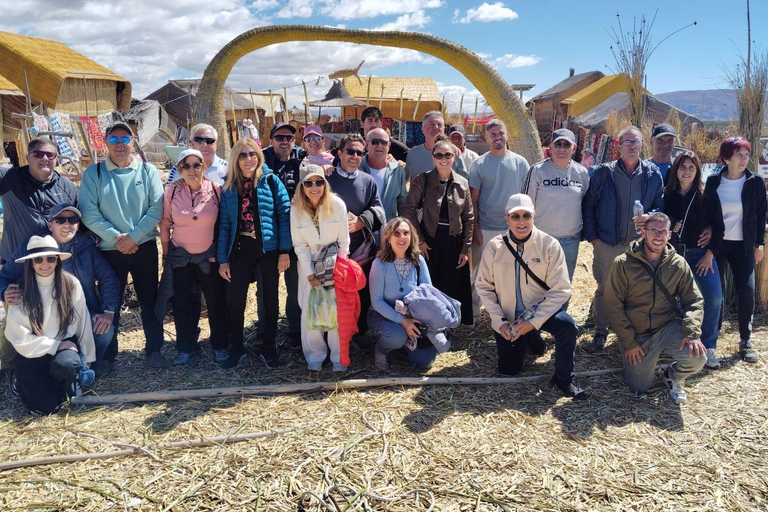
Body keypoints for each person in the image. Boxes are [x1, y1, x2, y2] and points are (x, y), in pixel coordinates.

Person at [475, 194, 586, 400]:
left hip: (539, 312)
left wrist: (531, 323)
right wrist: (499, 322)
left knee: (568, 326)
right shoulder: (494, 247)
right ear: (506, 218)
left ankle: (563, 377)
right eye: (515, 216)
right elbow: (484, 287)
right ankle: (531, 339)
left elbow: (561, 289)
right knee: (509, 369)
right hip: (508, 316)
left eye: (526, 215)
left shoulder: (549, 245)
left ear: (534, 216)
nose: (521, 221)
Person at [78, 122, 166, 368]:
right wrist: (117, 238)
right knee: (110, 302)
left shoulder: (147, 172)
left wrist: (133, 238)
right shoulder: (93, 174)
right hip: (109, 250)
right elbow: (88, 212)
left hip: (143, 247)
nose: (120, 145)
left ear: (133, 142)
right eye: (114, 139)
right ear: (105, 142)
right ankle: (107, 354)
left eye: (125, 139)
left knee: (149, 299)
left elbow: (156, 208)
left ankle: (154, 349)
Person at [0, 204, 119, 379]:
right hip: (41, 313)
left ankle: (82, 366)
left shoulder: (86, 247)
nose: (67, 225)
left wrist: (108, 311)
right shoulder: (33, 247)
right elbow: (4, 276)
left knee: (104, 331)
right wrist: (4, 291)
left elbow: (108, 278)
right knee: (18, 329)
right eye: (60, 220)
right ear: (50, 225)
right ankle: (14, 370)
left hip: (80, 311)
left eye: (73, 220)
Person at [604, 212, 706, 403]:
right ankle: (638, 360)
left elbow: (694, 300)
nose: (658, 236)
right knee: (639, 387)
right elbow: (613, 304)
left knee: (698, 358)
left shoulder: (678, 264)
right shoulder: (623, 263)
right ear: (643, 232)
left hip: (666, 327)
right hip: (638, 333)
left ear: (669, 235)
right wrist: (629, 342)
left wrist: (691, 332)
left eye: (663, 232)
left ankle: (672, 376)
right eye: (653, 231)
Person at [581, 125, 664, 352]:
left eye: (635, 142)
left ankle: (631, 332)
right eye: (626, 142)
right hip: (607, 242)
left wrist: (651, 216)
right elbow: (589, 205)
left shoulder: (651, 173)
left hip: (638, 244)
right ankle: (600, 330)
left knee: (637, 289)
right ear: (618, 146)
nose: (631, 146)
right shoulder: (603, 172)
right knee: (605, 288)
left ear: (642, 146)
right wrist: (594, 238)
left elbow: (660, 204)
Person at [218, 138, 292, 369]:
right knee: (237, 301)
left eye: (252, 154)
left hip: (268, 250)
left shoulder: (271, 181)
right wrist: (222, 259)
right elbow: (225, 225)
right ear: (235, 160)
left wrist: (284, 251)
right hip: (241, 250)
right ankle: (237, 348)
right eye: (242, 155)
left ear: (258, 156)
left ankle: (269, 348)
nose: (248, 159)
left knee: (270, 300)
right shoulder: (229, 187)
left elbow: (284, 215)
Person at [5, 236, 95, 415]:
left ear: (57, 261)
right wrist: (54, 345)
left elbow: (83, 321)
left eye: (50, 258)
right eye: (38, 259)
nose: (44, 264)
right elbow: (19, 335)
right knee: (46, 409)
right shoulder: (20, 290)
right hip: (34, 350)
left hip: (63, 346)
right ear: (31, 263)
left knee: (68, 364)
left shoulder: (71, 284)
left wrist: (88, 357)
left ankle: (66, 383)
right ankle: (22, 382)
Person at [159, 149, 228, 365]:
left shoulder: (216, 190)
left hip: (209, 256)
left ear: (203, 167)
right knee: (183, 303)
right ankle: (186, 347)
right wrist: (166, 253)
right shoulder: (172, 191)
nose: (191, 170)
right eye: (186, 166)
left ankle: (219, 345)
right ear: (179, 169)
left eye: (196, 165)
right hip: (181, 257)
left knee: (216, 302)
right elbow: (165, 223)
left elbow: (224, 222)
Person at [705, 136, 767, 363]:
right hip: (718, 245)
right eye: (739, 155)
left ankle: (745, 340)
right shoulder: (713, 181)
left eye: (746, 155)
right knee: (716, 292)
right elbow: (707, 211)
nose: (744, 159)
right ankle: (713, 338)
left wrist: (759, 244)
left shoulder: (755, 182)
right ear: (726, 157)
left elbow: (761, 215)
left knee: (746, 290)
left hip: (743, 245)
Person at [402, 134, 474, 325]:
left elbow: (468, 218)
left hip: (454, 241)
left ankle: (449, 325)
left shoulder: (462, 184)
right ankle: (430, 325)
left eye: (447, 155)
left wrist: (465, 249)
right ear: (433, 157)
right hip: (430, 241)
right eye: (439, 155)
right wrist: (421, 241)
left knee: (452, 286)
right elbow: (408, 210)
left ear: (454, 157)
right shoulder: (421, 180)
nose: (443, 159)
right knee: (430, 285)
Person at [664, 151, 725, 369]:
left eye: (691, 167)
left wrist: (709, 254)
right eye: (682, 167)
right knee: (675, 301)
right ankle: (679, 344)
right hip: (675, 255)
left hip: (700, 255)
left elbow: (719, 228)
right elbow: (658, 220)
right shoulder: (668, 194)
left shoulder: (707, 194)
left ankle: (708, 346)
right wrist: (670, 221)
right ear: (675, 170)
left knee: (714, 297)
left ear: (697, 170)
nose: (686, 171)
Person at [327, 133, 386, 349]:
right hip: (332, 251)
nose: (354, 156)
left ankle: (359, 333)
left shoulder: (367, 181)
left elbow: (379, 209)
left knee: (360, 293)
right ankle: (335, 338)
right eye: (350, 151)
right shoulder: (327, 178)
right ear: (340, 153)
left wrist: (362, 221)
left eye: (359, 153)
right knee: (335, 296)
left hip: (361, 250)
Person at [290, 164, 350, 371]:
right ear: (302, 186)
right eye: (308, 183)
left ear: (325, 184)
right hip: (309, 262)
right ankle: (314, 355)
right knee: (310, 308)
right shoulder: (296, 209)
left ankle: (338, 356)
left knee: (335, 309)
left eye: (319, 182)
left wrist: (339, 269)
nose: (314, 187)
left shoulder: (338, 205)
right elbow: (299, 245)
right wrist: (310, 274)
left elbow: (344, 241)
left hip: (334, 262)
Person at [368, 217, 448, 371]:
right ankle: (382, 350)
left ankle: (406, 344)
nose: (402, 237)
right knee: (396, 336)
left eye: (406, 233)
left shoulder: (418, 260)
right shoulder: (379, 264)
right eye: (396, 233)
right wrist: (403, 321)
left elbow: (427, 294)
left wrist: (414, 318)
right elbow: (377, 301)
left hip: (414, 315)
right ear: (388, 237)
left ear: (412, 237)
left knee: (425, 362)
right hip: (383, 315)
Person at [468, 118, 530, 314]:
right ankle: (474, 309)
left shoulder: (520, 163)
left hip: (513, 229)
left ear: (507, 134)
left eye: (501, 133)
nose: (498, 137)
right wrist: (476, 229)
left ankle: (507, 310)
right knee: (479, 272)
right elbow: (473, 201)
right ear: (486, 138)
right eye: (493, 134)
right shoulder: (479, 164)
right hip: (485, 228)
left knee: (510, 272)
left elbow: (526, 197)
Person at [522, 128, 589, 286]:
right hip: (541, 239)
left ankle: (560, 312)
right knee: (537, 284)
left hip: (570, 240)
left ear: (573, 148)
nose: (562, 149)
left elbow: (585, 202)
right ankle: (537, 312)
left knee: (563, 285)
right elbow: (525, 205)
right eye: (558, 144)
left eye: (567, 145)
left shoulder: (582, 173)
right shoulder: (537, 171)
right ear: (550, 147)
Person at [259, 122, 305, 349]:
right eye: (280, 137)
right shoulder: (260, 162)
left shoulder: (301, 163)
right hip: (268, 234)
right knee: (265, 286)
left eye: (289, 138)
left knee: (295, 285)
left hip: (295, 235)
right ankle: (265, 328)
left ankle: (294, 329)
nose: (285, 141)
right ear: (271, 140)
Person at [0, 137, 78, 264]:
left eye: (50, 155)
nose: (45, 158)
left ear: (56, 159)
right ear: (28, 157)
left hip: (51, 263)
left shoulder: (67, 187)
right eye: (38, 154)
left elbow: (80, 221)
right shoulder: (9, 178)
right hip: (15, 262)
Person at [359, 128, 407, 222]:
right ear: (367, 144)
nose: (380, 145)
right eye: (375, 142)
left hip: (388, 228)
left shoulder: (397, 169)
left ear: (388, 145)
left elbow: (402, 201)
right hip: (362, 228)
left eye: (383, 142)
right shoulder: (357, 168)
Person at [405, 111, 466, 181]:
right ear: (423, 129)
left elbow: (463, 183)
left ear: (444, 129)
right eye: (432, 124)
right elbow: (403, 180)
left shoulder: (454, 153)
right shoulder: (413, 154)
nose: (436, 127)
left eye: (439, 124)